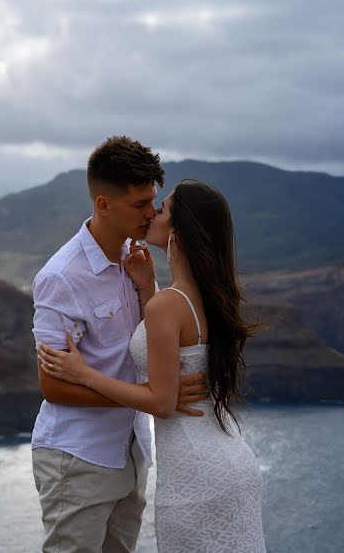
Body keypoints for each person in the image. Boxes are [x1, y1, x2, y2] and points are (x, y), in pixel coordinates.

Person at [39, 178, 266, 552]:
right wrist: (146, 287)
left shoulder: (168, 304)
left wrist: (84, 374)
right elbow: (169, 349)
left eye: (161, 209)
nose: (151, 215)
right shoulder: (205, 296)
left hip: (195, 476)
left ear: (177, 230)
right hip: (228, 461)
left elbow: (161, 401)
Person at [30, 136, 207, 553]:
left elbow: (150, 342)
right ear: (103, 204)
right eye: (140, 204)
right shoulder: (62, 277)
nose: (151, 214)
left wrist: (146, 286)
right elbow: (52, 386)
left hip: (131, 451)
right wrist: (152, 398)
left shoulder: (136, 258)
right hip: (78, 458)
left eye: (153, 201)